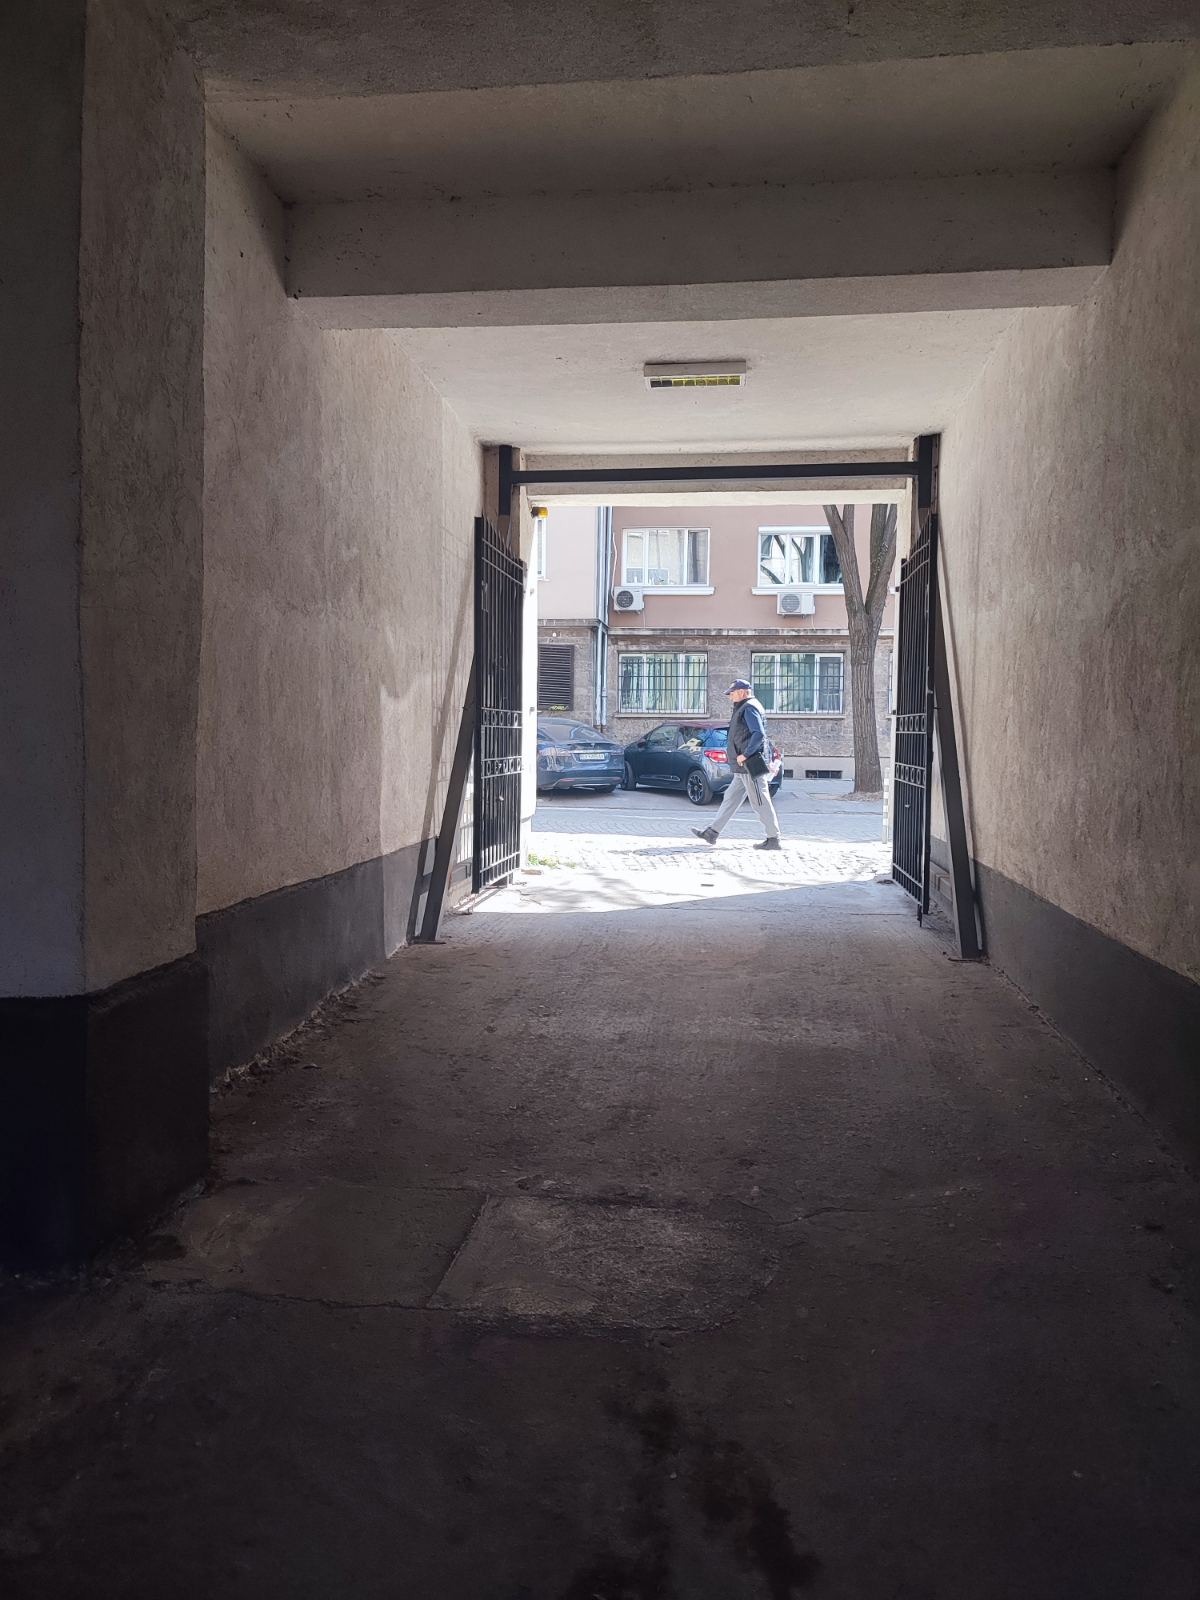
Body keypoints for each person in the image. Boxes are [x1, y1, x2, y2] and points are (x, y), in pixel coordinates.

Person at [692, 679, 782, 850]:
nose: (730, 696)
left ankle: (773, 839)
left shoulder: (749, 708)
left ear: (742, 692)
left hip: (751, 764)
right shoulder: (746, 707)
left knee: (760, 801)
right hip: (743, 767)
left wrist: (745, 754)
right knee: (730, 799)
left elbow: (758, 734)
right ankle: (712, 833)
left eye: (732, 693)